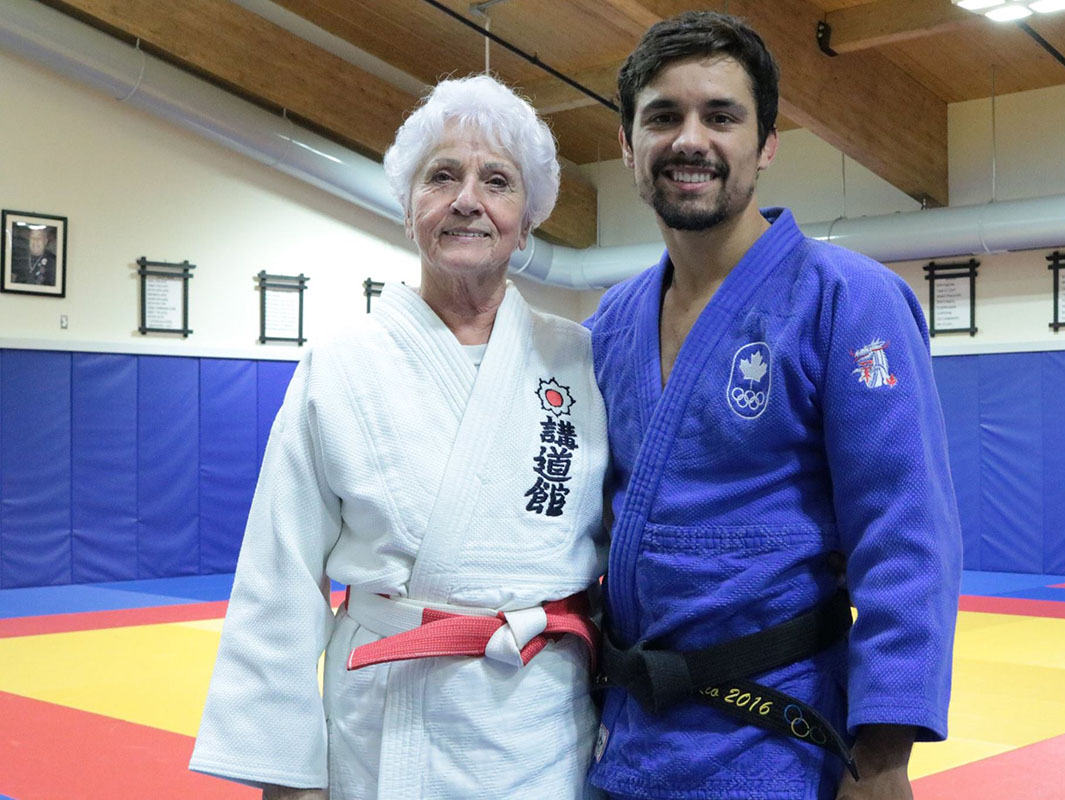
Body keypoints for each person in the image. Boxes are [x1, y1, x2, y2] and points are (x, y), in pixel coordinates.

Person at [190, 75, 608, 800]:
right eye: (441, 176)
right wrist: (287, 774)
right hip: (390, 723)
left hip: (543, 723)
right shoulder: (339, 363)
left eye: (497, 181)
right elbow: (279, 571)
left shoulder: (580, 359)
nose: (467, 199)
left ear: (527, 220)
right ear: (409, 209)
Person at [585, 12, 962, 800]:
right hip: (628, 737)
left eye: (721, 116)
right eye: (663, 116)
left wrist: (883, 756)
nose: (691, 140)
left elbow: (904, 533)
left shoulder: (847, 300)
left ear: (766, 144)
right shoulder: (610, 323)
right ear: (626, 143)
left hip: (780, 738)